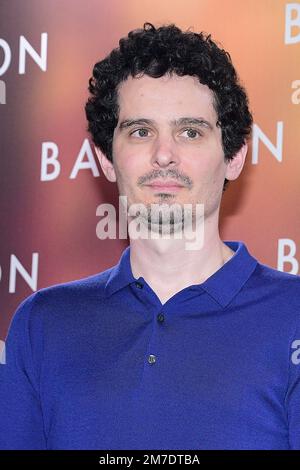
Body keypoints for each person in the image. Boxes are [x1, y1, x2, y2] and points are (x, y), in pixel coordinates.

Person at [0, 22, 299, 450]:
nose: (164, 154)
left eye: (190, 132)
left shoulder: (293, 314)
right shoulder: (41, 324)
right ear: (106, 159)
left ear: (234, 157)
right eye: (141, 131)